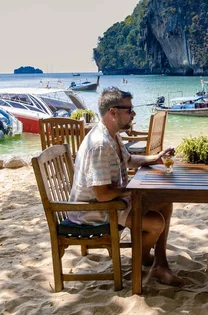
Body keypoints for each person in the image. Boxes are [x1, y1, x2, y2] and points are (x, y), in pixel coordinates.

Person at [67, 87, 183, 287]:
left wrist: (154, 158)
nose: (133, 113)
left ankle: (160, 263)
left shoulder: (112, 135)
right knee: (156, 222)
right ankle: (142, 256)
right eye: (129, 110)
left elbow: (128, 160)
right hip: (95, 210)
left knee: (165, 201)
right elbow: (102, 194)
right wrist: (136, 190)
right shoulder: (100, 144)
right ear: (113, 112)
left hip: (111, 202)